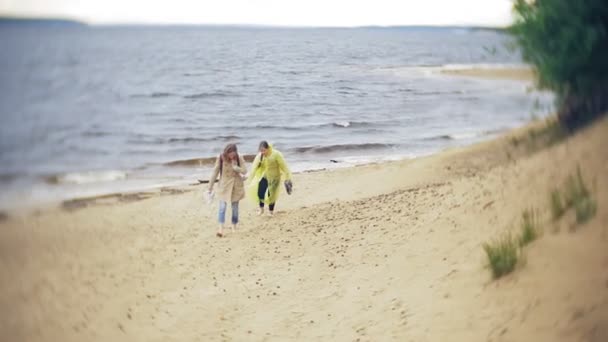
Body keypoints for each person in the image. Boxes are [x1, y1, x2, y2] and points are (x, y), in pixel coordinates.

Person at [208, 143, 247, 237]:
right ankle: (220, 228)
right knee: (222, 207)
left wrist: (235, 167)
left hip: (236, 185)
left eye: (233, 154)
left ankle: (234, 225)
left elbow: (245, 171)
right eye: (230, 154)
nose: (232, 156)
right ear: (226, 152)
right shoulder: (221, 158)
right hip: (224, 185)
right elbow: (215, 172)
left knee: (235, 208)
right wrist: (210, 186)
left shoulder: (239, 157)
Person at [247, 141, 292, 216]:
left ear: (268, 148)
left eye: (264, 150)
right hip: (265, 176)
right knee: (260, 192)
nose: (263, 152)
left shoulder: (276, 154)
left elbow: (284, 166)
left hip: (275, 178)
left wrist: (287, 177)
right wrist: (250, 179)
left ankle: (271, 212)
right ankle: (261, 210)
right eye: (261, 151)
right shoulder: (260, 155)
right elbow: (254, 168)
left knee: (271, 195)